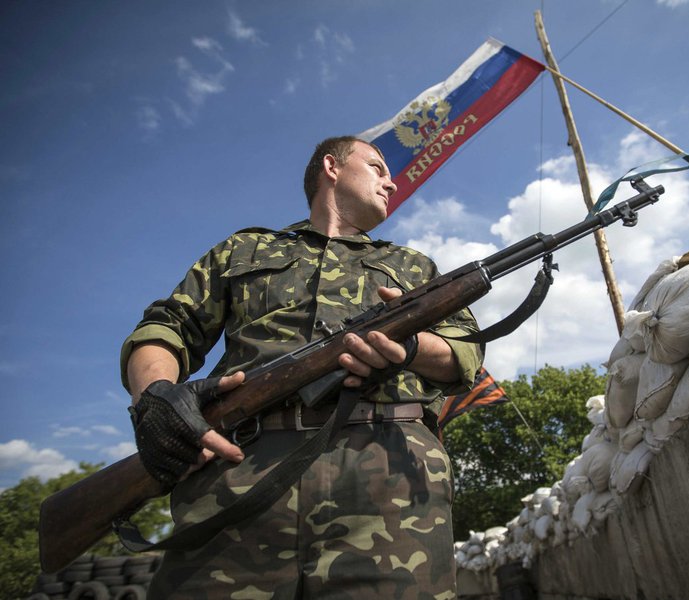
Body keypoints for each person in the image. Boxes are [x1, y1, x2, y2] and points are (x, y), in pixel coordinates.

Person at [121, 136, 483, 599]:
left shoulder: (411, 265)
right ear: (332, 167)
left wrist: (409, 346)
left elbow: (464, 350)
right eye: (377, 167)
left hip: (390, 479)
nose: (392, 183)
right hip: (238, 472)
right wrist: (155, 397)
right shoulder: (244, 249)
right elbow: (169, 326)